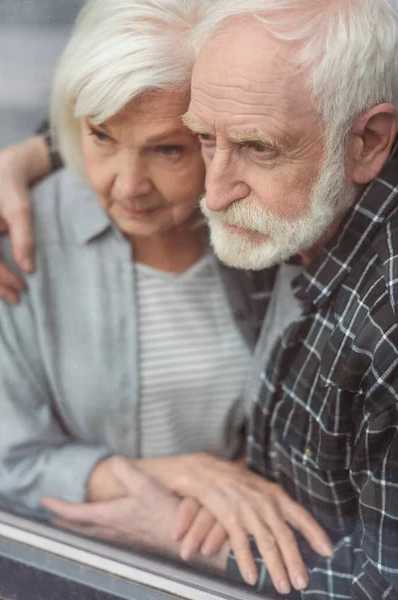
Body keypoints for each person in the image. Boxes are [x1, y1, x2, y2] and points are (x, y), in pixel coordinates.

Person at [49, 0, 398, 597]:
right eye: (203, 139)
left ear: (367, 141)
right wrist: (34, 154)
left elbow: (382, 582)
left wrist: (185, 542)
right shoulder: (289, 210)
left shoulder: (384, 324)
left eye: (258, 147)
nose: (213, 194)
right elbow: (139, 103)